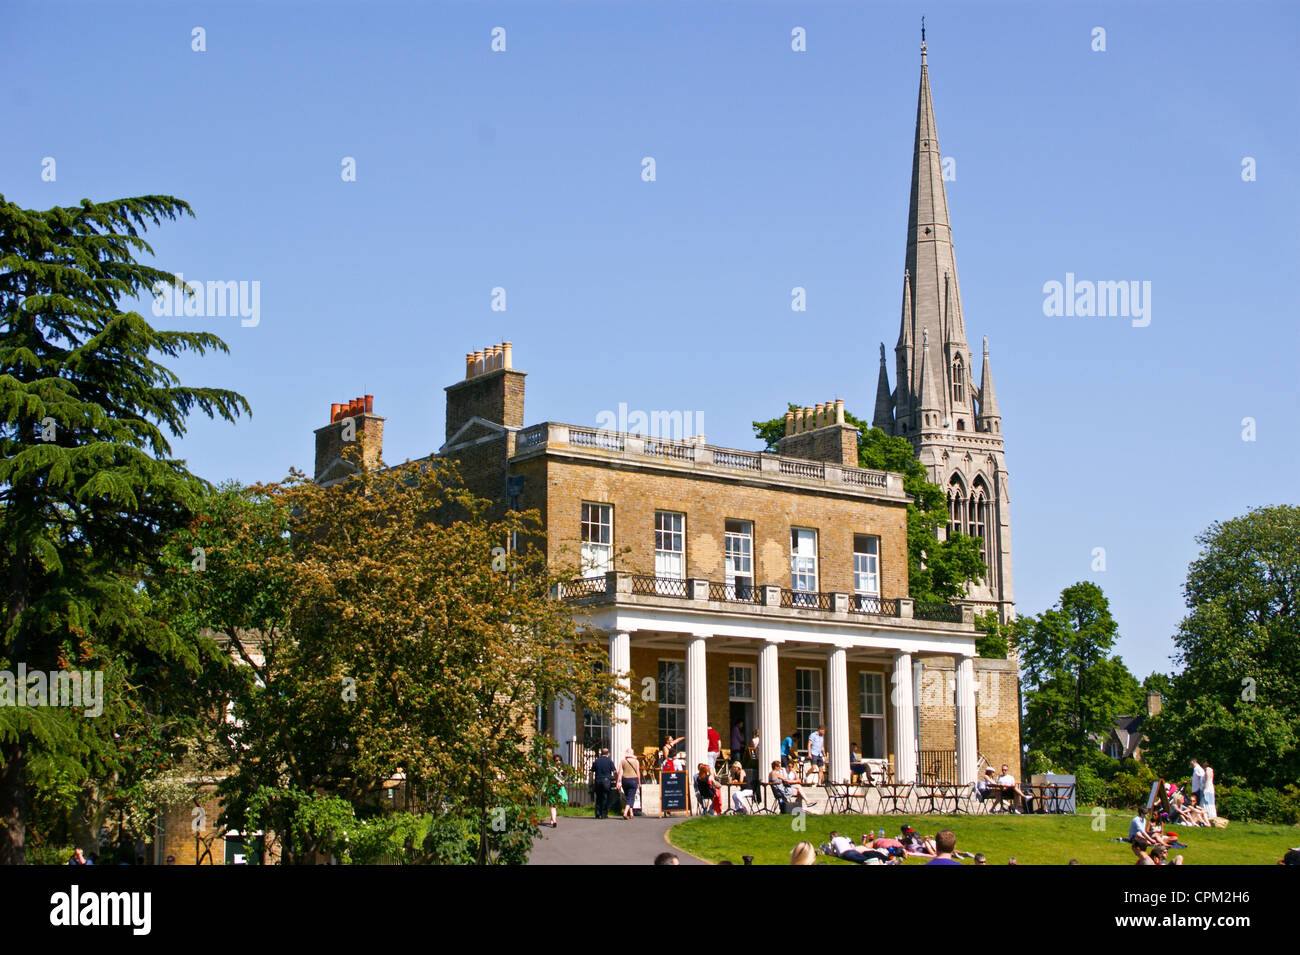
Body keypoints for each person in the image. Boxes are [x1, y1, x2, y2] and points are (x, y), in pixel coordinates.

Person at [590, 747, 616, 819]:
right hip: (606, 781)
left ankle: (597, 812)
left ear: (601, 753)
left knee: (598, 797)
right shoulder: (610, 761)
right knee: (605, 797)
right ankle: (604, 814)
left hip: (598, 780)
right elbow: (614, 771)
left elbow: (591, 772)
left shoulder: (596, 761)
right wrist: (616, 780)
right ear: (608, 754)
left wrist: (591, 781)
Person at [546, 753, 568, 828]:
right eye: (556, 760)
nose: (558, 762)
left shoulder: (563, 769)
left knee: (557, 803)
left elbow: (565, 778)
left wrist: (563, 782)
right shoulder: (551, 769)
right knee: (553, 804)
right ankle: (554, 821)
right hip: (553, 787)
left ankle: (552, 818)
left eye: (559, 760)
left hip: (560, 788)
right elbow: (549, 779)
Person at [618, 747, 641, 821]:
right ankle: (625, 812)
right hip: (633, 779)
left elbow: (620, 772)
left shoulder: (623, 761)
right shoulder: (636, 761)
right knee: (631, 797)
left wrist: (618, 781)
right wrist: (639, 782)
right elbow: (638, 773)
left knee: (628, 796)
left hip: (625, 780)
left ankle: (631, 813)